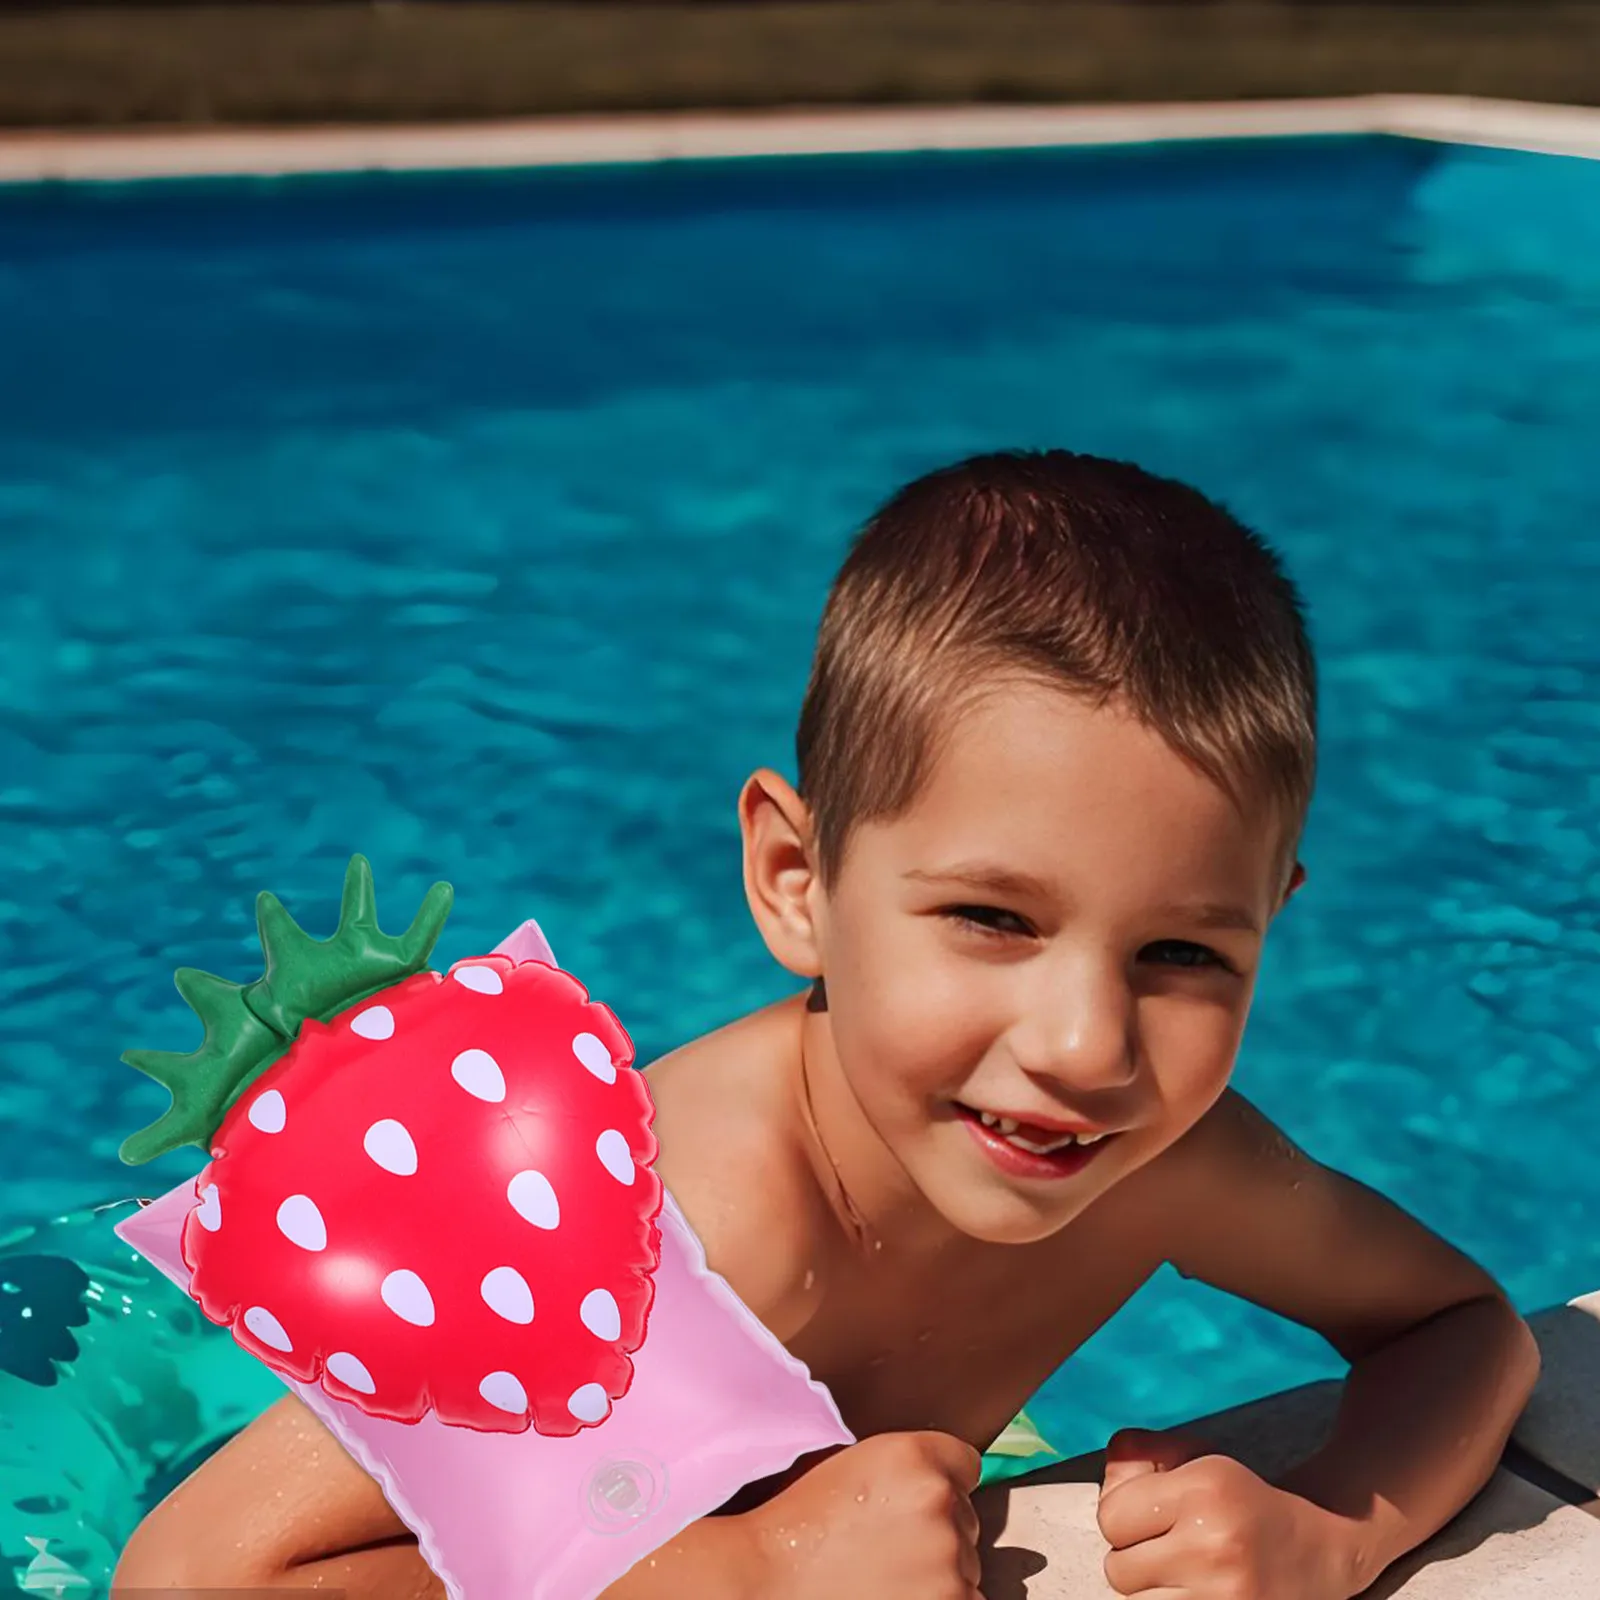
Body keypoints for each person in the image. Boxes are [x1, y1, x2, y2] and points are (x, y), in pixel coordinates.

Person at [113, 450, 1539, 1599]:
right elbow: (189, 1576)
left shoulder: (1171, 1162)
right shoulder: (674, 1225)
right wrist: (753, 1569)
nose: (1086, 1045)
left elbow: (1464, 1327)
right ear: (798, 884)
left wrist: (1333, 1532)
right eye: (994, 919)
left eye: (1180, 951)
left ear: (1272, 919)